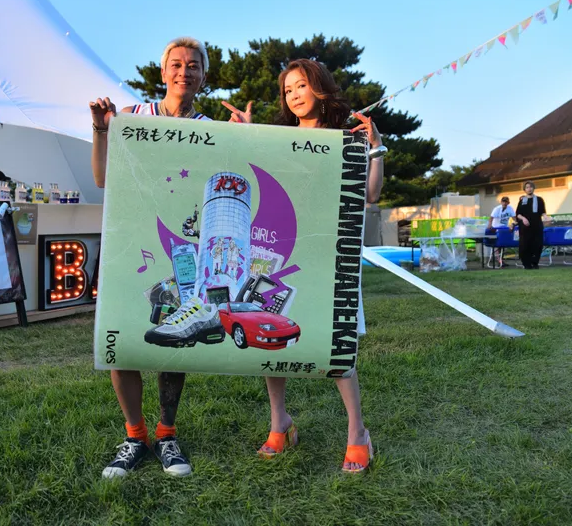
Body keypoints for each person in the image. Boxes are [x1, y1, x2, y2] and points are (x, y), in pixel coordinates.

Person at [223, 59, 385, 473]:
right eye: (288, 89)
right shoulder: (278, 139)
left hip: (330, 254)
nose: (294, 95)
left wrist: (376, 148)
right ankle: (280, 422)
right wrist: (248, 136)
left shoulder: (345, 138)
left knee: (336, 343)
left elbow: (370, 195)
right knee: (268, 337)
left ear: (320, 87)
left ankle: (358, 433)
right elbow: (255, 174)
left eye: (301, 85)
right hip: (280, 251)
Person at [89, 37, 212, 480]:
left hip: (181, 245)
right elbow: (102, 178)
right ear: (163, 73)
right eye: (176, 64)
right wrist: (101, 130)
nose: (184, 71)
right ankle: (135, 435)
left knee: (174, 338)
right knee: (121, 336)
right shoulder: (134, 116)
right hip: (130, 242)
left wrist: (248, 136)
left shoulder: (211, 128)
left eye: (193, 65)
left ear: (203, 76)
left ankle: (166, 433)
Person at [515, 181, 546, 270]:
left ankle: (535, 263)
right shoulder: (522, 201)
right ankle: (526, 264)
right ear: (524, 189)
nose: (529, 189)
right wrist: (523, 219)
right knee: (525, 245)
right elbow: (518, 214)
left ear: (533, 188)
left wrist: (546, 217)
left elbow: (543, 212)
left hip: (537, 226)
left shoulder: (539, 199)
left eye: (531, 187)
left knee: (537, 245)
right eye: (527, 187)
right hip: (525, 227)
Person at [486, 196, 515, 267]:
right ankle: (499, 260)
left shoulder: (510, 208)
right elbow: (491, 218)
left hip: (504, 228)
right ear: (501, 202)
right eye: (503, 201)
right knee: (498, 244)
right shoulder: (497, 209)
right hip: (496, 228)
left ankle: (500, 260)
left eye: (506, 202)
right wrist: (490, 225)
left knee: (502, 244)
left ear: (508, 202)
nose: (504, 203)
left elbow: (514, 218)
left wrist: (514, 223)